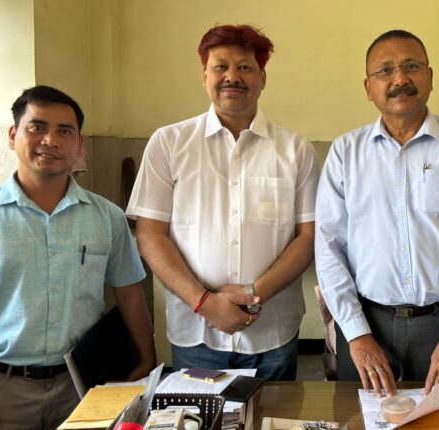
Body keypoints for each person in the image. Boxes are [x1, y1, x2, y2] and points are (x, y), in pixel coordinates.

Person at [315, 29, 439, 397]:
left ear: (430, 77)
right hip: (366, 324)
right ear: (368, 87)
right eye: (385, 70)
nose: (400, 78)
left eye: (411, 67)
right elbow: (328, 249)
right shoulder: (345, 152)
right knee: (360, 419)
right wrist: (356, 333)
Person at [127, 24, 319, 381]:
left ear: (262, 78)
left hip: (272, 333)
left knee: (275, 412)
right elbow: (150, 235)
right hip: (196, 332)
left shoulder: (295, 149)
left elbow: (307, 236)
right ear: (205, 76)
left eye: (245, 67)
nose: (232, 77)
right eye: (221, 67)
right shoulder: (168, 143)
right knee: (199, 412)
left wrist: (251, 294)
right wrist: (204, 302)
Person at [0, 85, 156, 429]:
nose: (50, 140)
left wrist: (147, 361)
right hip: (0, 390)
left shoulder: (107, 217)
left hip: (84, 385)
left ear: (79, 145)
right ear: (12, 136)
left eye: (65, 131)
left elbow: (130, 293)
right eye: (37, 127)